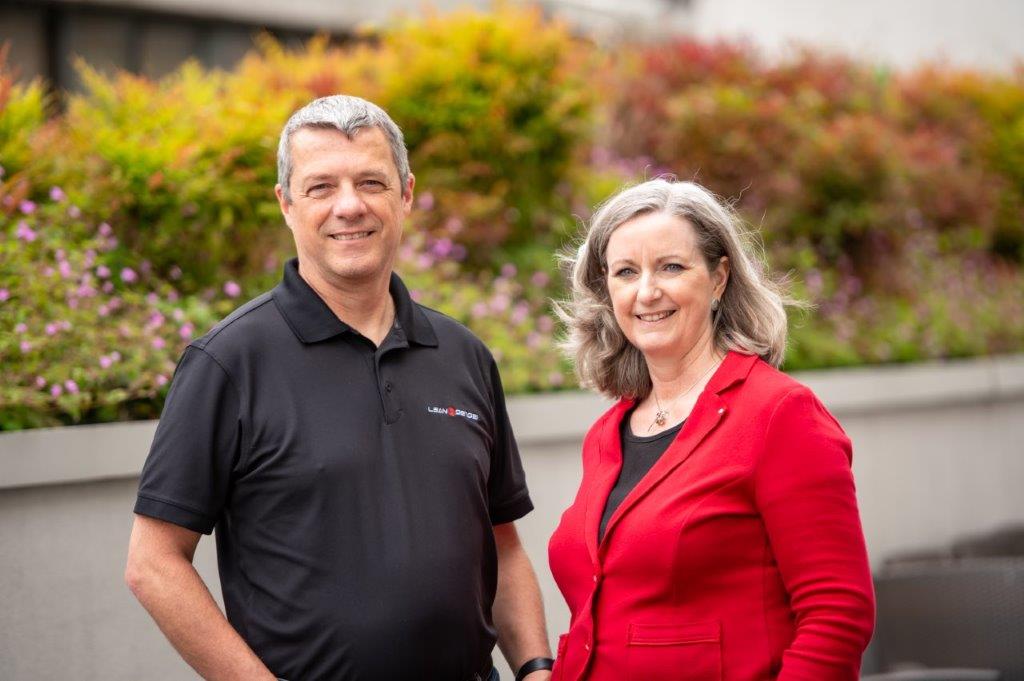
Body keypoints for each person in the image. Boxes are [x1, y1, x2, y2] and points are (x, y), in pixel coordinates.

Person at [125, 95, 554, 681]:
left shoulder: (464, 355)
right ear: (287, 204)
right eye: (321, 186)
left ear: (405, 195)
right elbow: (154, 564)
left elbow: (501, 546)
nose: (348, 206)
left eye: (370, 182)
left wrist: (535, 668)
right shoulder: (227, 362)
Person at [547, 178, 875, 680]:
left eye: (671, 267)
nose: (646, 291)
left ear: (719, 278)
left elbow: (837, 614)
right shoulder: (607, 433)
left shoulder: (779, 414)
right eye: (625, 272)